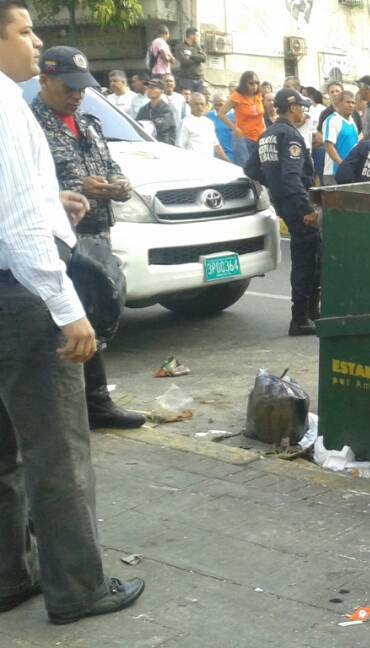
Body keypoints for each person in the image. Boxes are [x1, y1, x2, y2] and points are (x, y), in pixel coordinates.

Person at [0, 1, 145, 623]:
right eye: (25, 30)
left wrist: (51, 200)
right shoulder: (8, 105)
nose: (36, 42)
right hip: (23, 298)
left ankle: (11, 574)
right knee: (56, 449)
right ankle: (78, 588)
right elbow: (23, 225)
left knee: (4, 450)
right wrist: (67, 309)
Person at [32, 44, 146, 431]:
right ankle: (61, 407)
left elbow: (111, 167)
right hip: (57, 241)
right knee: (60, 323)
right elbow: (27, 184)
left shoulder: (90, 124)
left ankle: (96, 402)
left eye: (82, 87)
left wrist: (120, 185)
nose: (77, 94)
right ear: (44, 81)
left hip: (96, 233)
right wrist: (78, 185)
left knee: (94, 312)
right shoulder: (28, 127)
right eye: (69, 87)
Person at [244, 89, 320, 337]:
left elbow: (251, 168)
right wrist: (306, 209)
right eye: (301, 107)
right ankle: (301, 317)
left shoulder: (267, 134)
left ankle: (311, 313)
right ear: (292, 107)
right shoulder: (291, 135)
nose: (303, 112)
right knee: (306, 260)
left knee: (307, 256)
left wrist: (273, 182)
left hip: (283, 202)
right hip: (297, 202)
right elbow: (290, 176)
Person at [218, 70, 264, 167]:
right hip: (243, 138)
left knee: (259, 168)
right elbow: (221, 114)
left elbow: (260, 115)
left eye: (257, 83)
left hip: (259, 137)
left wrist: (265, 130)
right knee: (245, 168)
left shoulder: (258, 95)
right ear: (244, 83)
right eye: (251, 83)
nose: (254, 85)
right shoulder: (237, 96)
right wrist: (234, 128)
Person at [320, 89, 359, 185]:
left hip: (350, 173)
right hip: (334, 173)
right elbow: (329, 146)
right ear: (339, 103)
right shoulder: (332, 120)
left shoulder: (352, 121)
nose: (351, 105)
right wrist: (343, 166)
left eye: (353, 103)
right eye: (348, 102)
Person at [178, 92, 227, 161]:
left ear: (206, 105)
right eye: (196, 104)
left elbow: (215, 145)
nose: (199, 107)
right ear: (190, 105)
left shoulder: (209, 122)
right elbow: (180, 147)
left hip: (208, 163)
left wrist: (228, 162)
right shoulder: (185, 123)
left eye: (202, 104)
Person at [135, 78, 176, 145]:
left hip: (163, 147)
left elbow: (159, 127)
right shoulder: (143, 109)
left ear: (161, 91)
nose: (149, 90)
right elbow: (136, 126)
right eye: (148, 87)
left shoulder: (166, 110)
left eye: (153, 88)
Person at [175, 27, 206, 92]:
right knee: (189, 100)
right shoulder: (180, 47)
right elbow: (184, 61)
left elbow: (204, 58)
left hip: (199, 79)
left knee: (201, 99)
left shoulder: (197, 46)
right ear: (191, 36)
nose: (198, 37)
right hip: (186, 80)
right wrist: (198, 59)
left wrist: (191, 56)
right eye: (197, 35)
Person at [208, 93, 235, 161]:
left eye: (220, 105)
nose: (218, 108)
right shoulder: (208, 116)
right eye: (215, 105)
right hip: (213, 155)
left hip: (230, 154)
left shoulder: (234, 117)